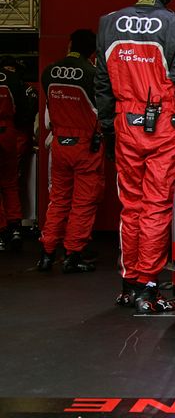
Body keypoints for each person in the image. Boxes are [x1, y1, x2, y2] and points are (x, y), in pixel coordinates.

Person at [95, 0, 175, 313]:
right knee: (156, 208)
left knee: (130, 207)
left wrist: (107, 130)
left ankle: (130, 283)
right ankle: (148, 286)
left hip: (123, 122)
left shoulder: (108, 23)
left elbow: (102, 85)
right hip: (163, 127)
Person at [38, 29, 103, 273]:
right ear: (94, 52)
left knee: (58, 200)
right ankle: (73, 255)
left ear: (69, 44)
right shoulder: (92, 74)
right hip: (85, 146)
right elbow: (103, 111)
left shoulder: (49, 72)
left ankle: (46, 252)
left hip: (59, 144)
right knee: (83, 202)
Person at [0, 62, 31, 251]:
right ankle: (15, 227)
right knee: (10, 183)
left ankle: (1, 232)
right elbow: (24, 111)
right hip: (8, 132)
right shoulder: (13, 80)